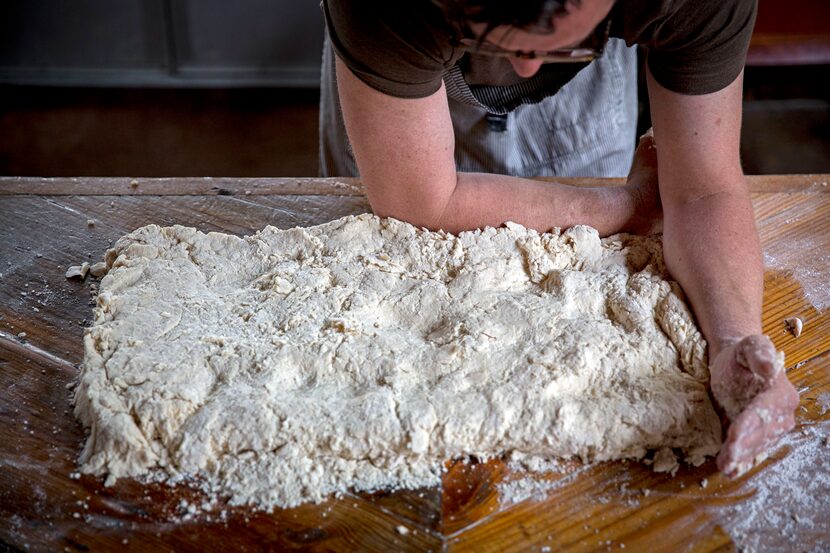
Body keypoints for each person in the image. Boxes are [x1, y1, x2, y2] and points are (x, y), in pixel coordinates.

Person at [318, 0, 799, 477]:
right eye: (489, 34)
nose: (525, 65)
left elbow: (701, 191)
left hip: (579, 101)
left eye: (558, 44)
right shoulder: (379, 8)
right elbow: (419, 203)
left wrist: (732, 336)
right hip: (404, 58)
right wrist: (624, 206)